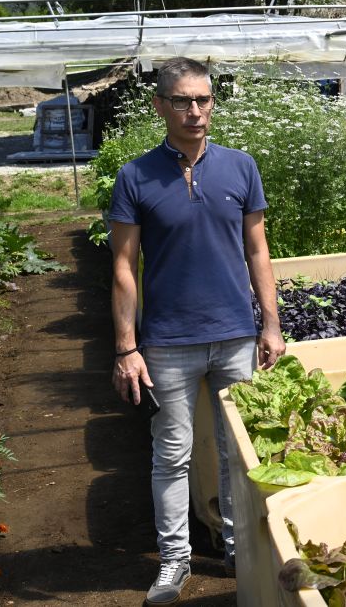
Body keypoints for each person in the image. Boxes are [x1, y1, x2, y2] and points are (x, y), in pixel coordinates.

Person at [108, 57, 285, 605]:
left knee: (241, 451)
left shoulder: (241, 167)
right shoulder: (136, 176)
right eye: (182, 100)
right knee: (173, 454)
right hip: (166, 342)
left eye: (204, 100)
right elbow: (122, 266)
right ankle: (175, 561)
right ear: (160, 105)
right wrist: (126, 349)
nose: (195, 111)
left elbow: (258, 250)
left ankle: (239, 549)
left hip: (235, 334)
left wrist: (271, 323)